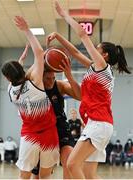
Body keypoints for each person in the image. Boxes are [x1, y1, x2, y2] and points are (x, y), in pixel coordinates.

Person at [46, 1, 131, 178]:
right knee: (88, 174)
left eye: (97, 47)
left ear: (104, 55)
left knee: (71, 164)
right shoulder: (96, 68)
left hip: (99, 124)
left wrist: (64, 15)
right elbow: (76, 54)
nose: (93, 48)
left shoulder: (102, 66)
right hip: (98, 123)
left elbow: (83, 34)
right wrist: (58, 37)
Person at [1, 16, 59, 179]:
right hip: (49, 133)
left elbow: (16, 78)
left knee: (24, 176)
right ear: (22, 69)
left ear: (7, 78)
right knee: (45, 176)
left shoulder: (10, 91)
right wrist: (26, 29)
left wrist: (20, 61)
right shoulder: (35, 81)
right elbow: (39, 53)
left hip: (29, 136)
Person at [18, 44, 81, 179]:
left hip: (60, 127)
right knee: (38, 174)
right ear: (41, 77)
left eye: (53, 78)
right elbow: (27, 75)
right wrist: (43, 56)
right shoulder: (34, 85)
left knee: (69, 162)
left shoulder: (60, 85)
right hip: (42, 131)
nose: (51, 81)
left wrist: (69, 75)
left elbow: (80, 96)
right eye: (47, 78)